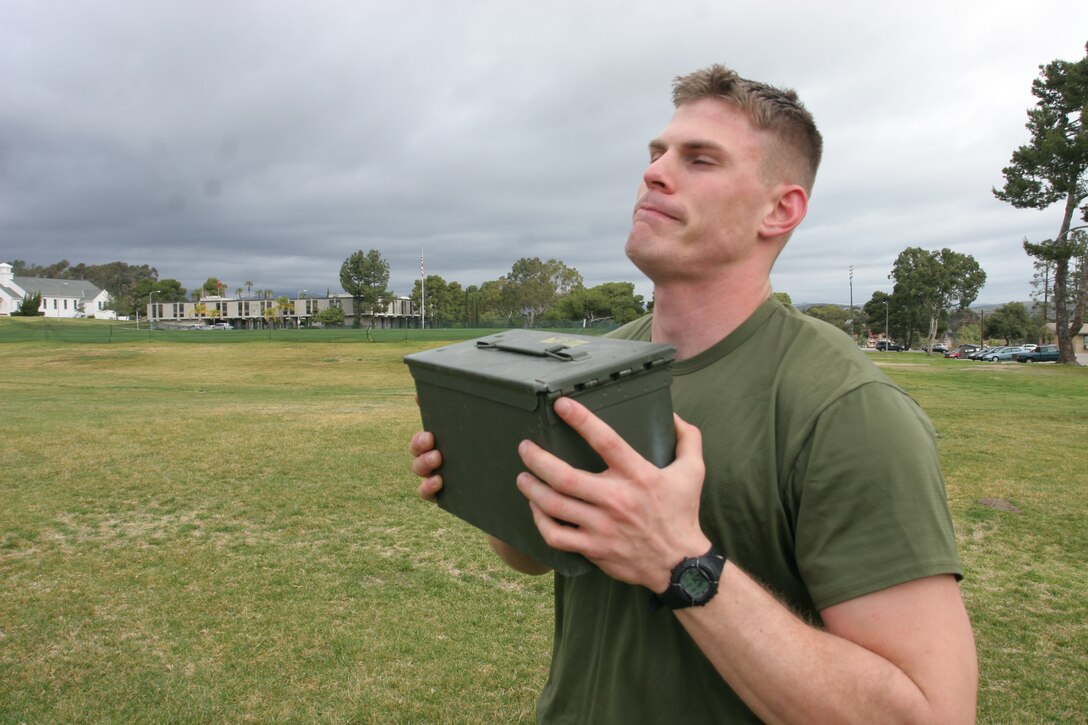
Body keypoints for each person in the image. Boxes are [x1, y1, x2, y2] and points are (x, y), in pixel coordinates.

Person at [410, 64, 978, 723]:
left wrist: (680, 562)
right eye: (657, 154)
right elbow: (535, 556)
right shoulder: (594, 361)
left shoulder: (845, 409)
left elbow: (932, 714)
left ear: (781, 208)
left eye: (700, 159)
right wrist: (491, 478)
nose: (655, 172)